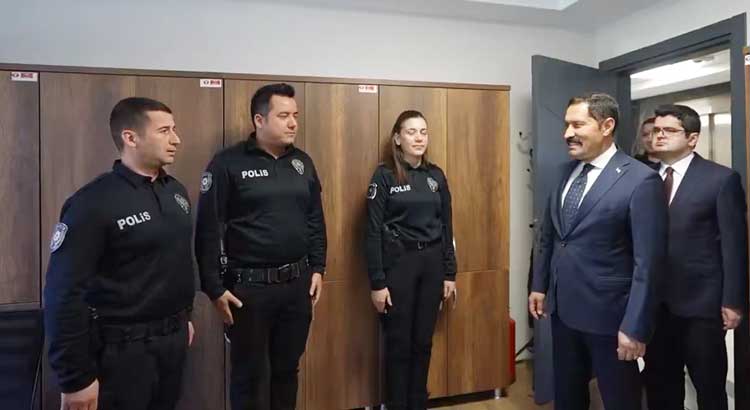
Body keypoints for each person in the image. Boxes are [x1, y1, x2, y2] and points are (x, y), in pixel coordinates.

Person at [44, 97, 195, 410]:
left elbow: (176, 264)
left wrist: (185, 319)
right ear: (131, 137)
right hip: (121, 351)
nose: (176, 139)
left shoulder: (176, 192)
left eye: (174, 129)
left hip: (173, 342)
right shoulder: (92, 203)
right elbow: (64, 293)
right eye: (164, 131)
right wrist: (75, 379)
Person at [529, 93, 667, 410]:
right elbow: (549, 236)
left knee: (620, 400)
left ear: (607, 126)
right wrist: (539, 285)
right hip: (564, 312)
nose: (567, 133)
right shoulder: (564, 173)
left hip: (612, 319)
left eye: (578, 125)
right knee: (568, 397)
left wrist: (635, 326)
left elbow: (649, 263)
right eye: (566, 125)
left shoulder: (640, 180)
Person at [195, 83, 326, 410]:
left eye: (295, 115)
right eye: (283, 116)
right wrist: (213, 287)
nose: (293, 123)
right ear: (259, 120)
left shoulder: (302, 163)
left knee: (286, 371)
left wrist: (318, 267)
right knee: (249, 377)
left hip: (296, 286)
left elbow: (315, 218)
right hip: (249, 289)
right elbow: (208, 228)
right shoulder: (228, 163)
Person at [643, 104, 748, 410]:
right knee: (661, 384)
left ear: (692, 138)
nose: (659, 136)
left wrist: (733, 300)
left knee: (708, 386)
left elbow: (734, 245)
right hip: (654, 305)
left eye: (669, 130)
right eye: (656, 130)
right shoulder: (644, 179)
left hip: (701, 305)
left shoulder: (720, 179)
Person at [365, 110, 457, 410]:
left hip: (431, 264)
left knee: (423, 341)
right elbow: (372, 231)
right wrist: (377, 282)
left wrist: (450, 273)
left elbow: (447, 227)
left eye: (423, 132)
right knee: (399, 343)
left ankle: (418, 403)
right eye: (411, 132)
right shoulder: (385, 175)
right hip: (399, 265)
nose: (419, 138)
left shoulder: (435, 176)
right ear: (397, 138)